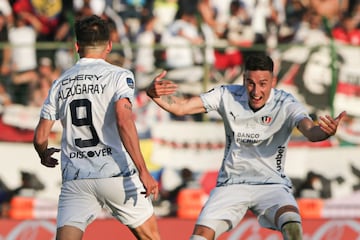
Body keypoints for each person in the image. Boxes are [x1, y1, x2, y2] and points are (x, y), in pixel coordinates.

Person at [146, 54, 346, 240]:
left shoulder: (286, 102)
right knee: (199, 236)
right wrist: (153, 94)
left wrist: (325, 132)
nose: (256, 91)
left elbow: (310, 131)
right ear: (243, 80)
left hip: (271, 185)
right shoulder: (227, 95)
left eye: (263, 84)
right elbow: (181, 107)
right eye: (250, 83)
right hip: (231, 185)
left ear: (273, 82)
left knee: (293, 226)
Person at [33, 15, 160, 240]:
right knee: (150, 237)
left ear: (76, 46)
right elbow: (123, 120)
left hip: (77, 177)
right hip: (115, 173)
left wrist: (43, 154)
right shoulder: (119, 75)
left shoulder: (60, 82)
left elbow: (41, 135)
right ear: (109, 45)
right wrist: (143, 170)